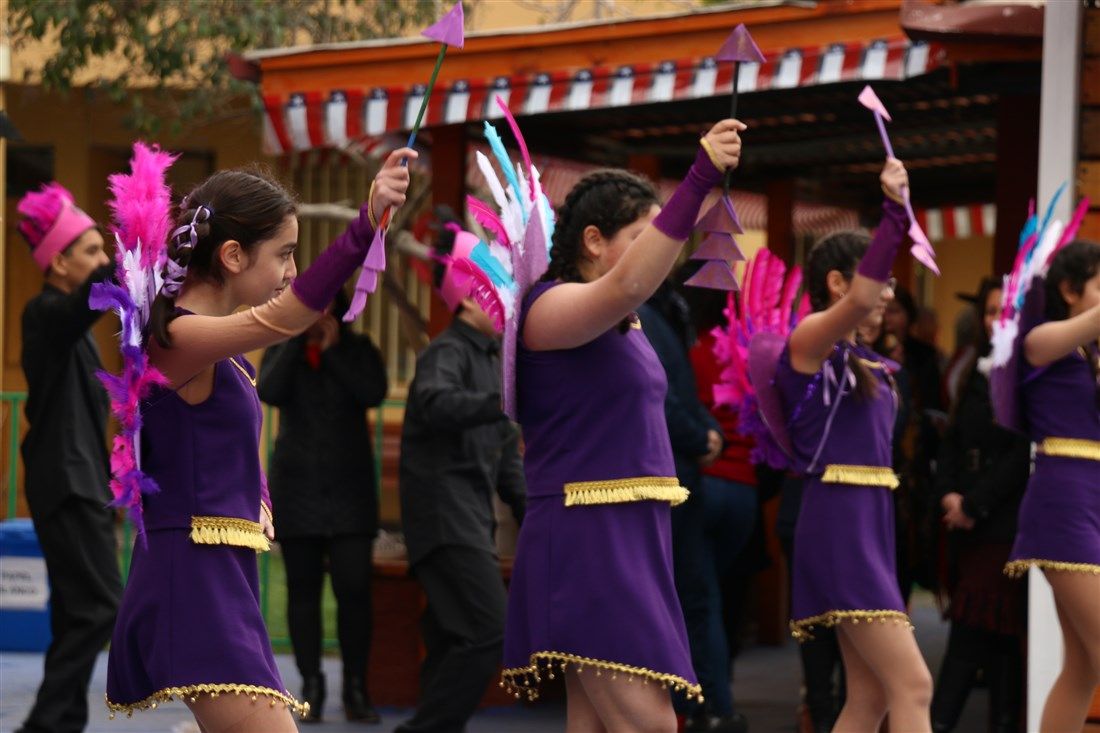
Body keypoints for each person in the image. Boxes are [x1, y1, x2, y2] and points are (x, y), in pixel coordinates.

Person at [105, 147, 416, 733]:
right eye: (285, 253)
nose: (292, 270)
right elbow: (287, 317)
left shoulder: (220, 350)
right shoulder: (178, 338)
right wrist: (365, 224)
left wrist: (260, 496)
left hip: (219, 567)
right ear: (232, 255)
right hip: (191, 572)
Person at [501, 119, 745, 733]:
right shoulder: (550, 306)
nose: (660, 250)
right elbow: (630, 281)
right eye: (641, 235)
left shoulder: (627, 320)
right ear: (593, 240)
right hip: (587, 533)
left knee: (598, 724)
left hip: (631, 532)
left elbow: (629, 287)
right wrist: (699, 178)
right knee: (651, 725)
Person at [770, 159, 933, 732]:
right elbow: (862, 303)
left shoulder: (870, 363)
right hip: (838, 520)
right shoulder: (808, 342)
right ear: (838, 284)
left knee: (872, 696)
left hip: (870, 521)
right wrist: (894, 212)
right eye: (879, 279)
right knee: (913, 684)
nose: (887, 293)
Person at [394, 225, 527, 733]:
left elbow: (505, 460)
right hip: (444, 520)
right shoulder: (446, 352)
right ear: (470, 299)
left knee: (454, 638)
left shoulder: (493, 363)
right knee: (487, 632)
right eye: (498, 292)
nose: (508, 304)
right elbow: (435, 402)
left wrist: (535, 513)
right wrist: (501, 401)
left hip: (468, 521)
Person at [15, 182, 122, 733]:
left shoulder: (73, 329)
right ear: (58, 262)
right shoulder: (44, 313)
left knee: (77, 609)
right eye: (92, 250)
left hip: (79, 482)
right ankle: (47, 723)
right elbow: (85, 304)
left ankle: (61, 721)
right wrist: (135, 247)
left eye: (106, 250)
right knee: (101, 605)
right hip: (67, 483)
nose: (103, 260)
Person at [257, 289, 388, 724]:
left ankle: (356, 687)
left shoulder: (359, 349)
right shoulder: (284, 349)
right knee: (303, 590)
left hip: (351, 492)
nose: (319, 316)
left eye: (327, 307)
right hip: (298, 488)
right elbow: (270, 390)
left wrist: (331, 354)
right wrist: (297, 340)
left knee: (354, 590)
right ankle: (311, 683)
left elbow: (372, 392)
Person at [1004, 239, 1100, 732]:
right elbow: (1037, 347)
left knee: (1083, 666)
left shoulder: (1091, 352)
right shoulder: (1043, 339)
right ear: (1068, 288)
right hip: (1063, 500)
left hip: (1093, 497)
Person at [930, 277, 1029, 733]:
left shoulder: (1027, 371)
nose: (996, 321)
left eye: (1004, 312)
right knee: (997, 638)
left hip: (1004, 523)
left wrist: (973, 504)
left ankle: (935, 724)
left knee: (974, 630)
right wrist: (948, 494)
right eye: (990, 312)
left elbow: (1020, 455)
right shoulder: (973, 366)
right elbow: (951, 439)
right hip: (966, 520)